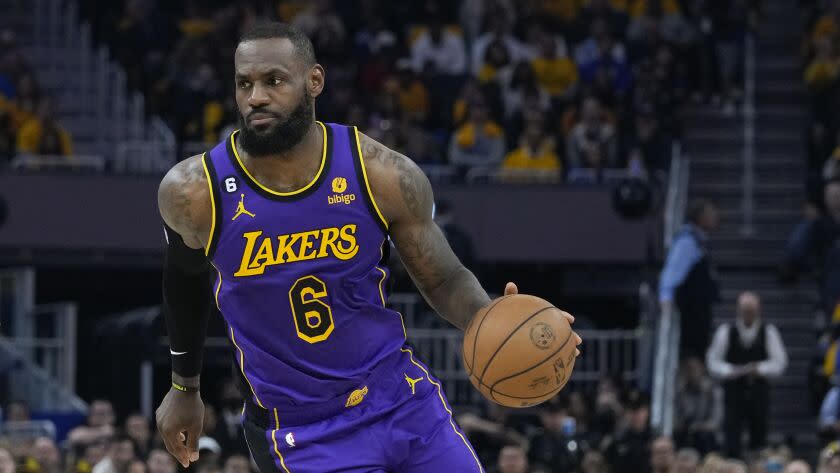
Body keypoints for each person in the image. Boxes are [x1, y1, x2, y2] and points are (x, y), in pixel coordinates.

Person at [154, 22, 581, 473]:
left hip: (400, 400)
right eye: (245, 84)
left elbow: (443, 276)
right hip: (301, 429)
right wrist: (185, 387)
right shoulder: (195, 192)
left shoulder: (379, 173)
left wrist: (492, 319)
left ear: (314, 81)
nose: (256, 96)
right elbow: (184, 282)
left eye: (273, 81)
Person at [706, 291, 788, 459]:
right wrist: (730, 370)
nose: (749, 315)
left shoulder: (769, 331)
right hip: (733, 390)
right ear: (738, 310)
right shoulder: (725, 331)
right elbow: (713, 361)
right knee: (732, 436)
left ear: (759, 310)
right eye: (745, 311)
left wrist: (760, 369)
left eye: (752, 311)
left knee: (759, 437)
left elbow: (780, 362)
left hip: (758, 390)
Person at [659, 199, 720, 359]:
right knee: (692, 353)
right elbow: (672, 272)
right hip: (691, 312)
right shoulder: (687, 241)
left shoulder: (700, 240)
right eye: (711, 213)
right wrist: (666, 297)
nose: (716, 216)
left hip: (701, 309)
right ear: (700, 217)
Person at [674, 357, 722, 455]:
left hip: (705, 433)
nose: (691, 373)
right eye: (688, 369)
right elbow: (677, 417)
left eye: (694, 369)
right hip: (687, 431)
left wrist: (699, 426)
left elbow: (716, 421)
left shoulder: (712, 391)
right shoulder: (681, 391)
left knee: (704, 437)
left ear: (702, 370)